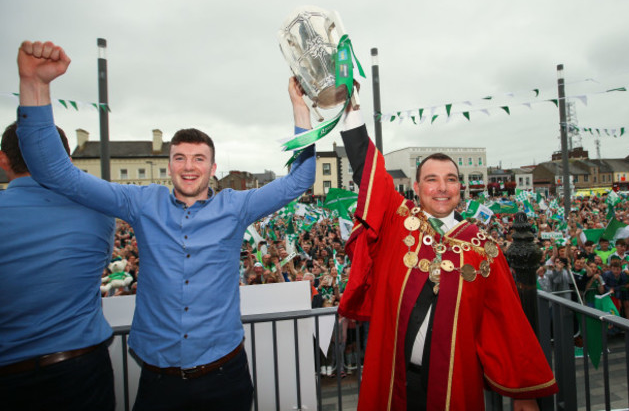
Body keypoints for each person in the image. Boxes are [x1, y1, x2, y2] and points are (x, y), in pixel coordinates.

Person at [15, 40, 315, 410]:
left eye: (199, 158)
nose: (189, 166)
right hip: (159, 381)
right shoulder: (141, 203)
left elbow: (298, 181)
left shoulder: (235, 207)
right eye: (180, 158)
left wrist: (300, 109)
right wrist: (34, 85)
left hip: (225, 375)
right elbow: (57, 172)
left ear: (213, 167)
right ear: (169, 164)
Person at [335, 90, 557, 410]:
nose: (442, 188)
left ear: (459, 188)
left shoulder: (484, 249)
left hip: (456, 385)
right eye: (432, 180)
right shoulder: (399, 220)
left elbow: (507, 324)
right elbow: (367, 171)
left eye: (450, 179)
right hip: (394, 378)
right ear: (416, 188)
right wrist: (348, 109)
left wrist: (524, 397)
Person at [0, 122, 116, 410]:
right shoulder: (98, 210)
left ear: (3, 160)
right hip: (82, 370)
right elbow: (98, 265)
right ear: (67, 160)